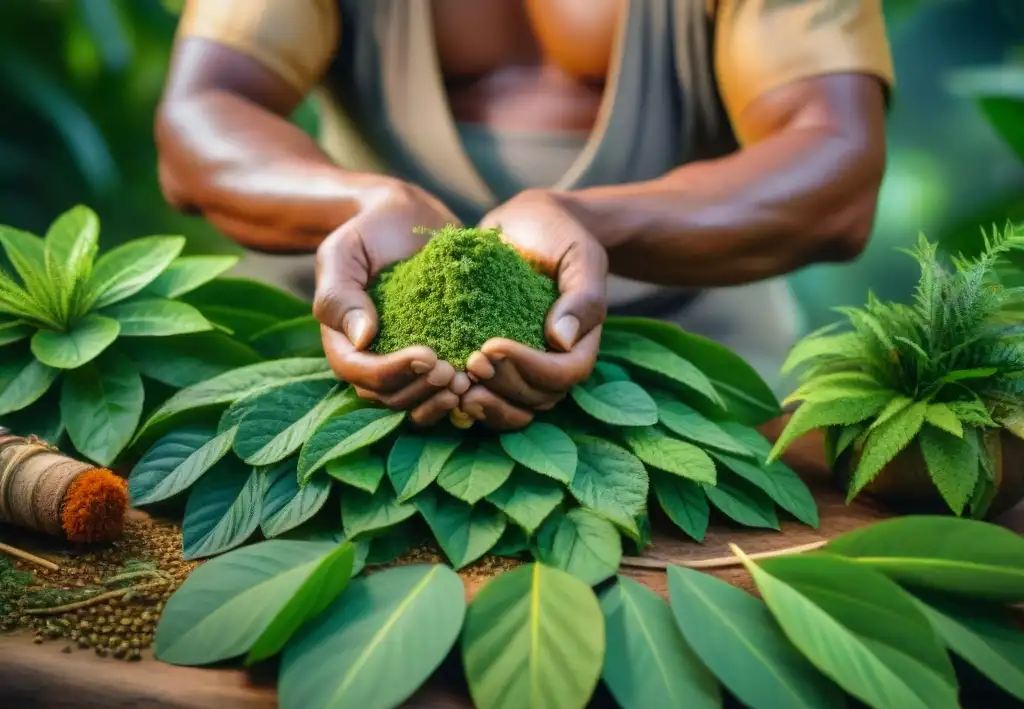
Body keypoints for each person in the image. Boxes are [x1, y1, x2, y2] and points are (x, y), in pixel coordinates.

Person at [156, 0, 893, 429]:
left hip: (685, 379)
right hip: (342, 351)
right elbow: (204, 112)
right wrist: (368, 203)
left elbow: (835, 157)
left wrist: (589, 223)